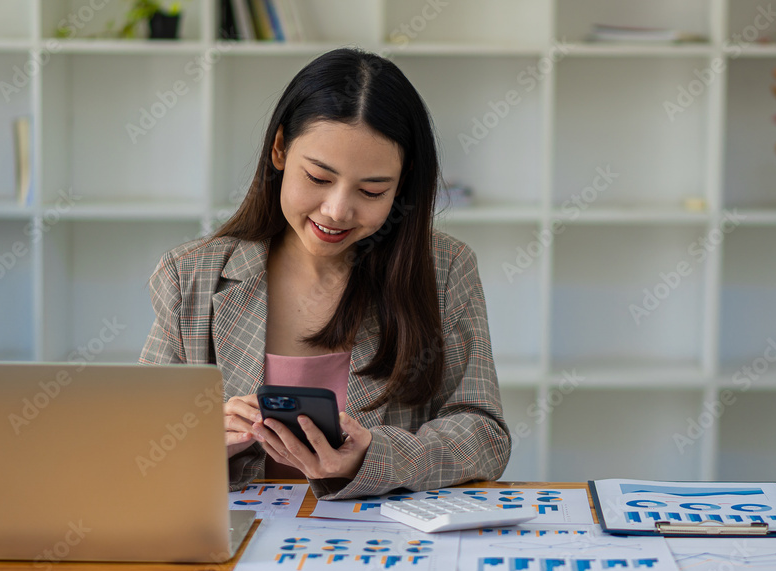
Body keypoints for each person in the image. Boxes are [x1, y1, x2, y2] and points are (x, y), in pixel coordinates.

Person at [139, 48, 511, 500]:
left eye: (372, 190)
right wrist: (201, 440)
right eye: (317, 177)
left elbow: (485, 436)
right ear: (279, 150)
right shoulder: (190, 276)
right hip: (233, 546)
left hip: (378, 547)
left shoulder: (445, 270)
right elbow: (141, 445)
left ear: (403, 182)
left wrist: (374, 454)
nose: (337, 211)